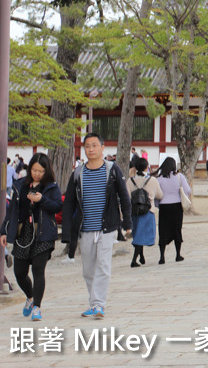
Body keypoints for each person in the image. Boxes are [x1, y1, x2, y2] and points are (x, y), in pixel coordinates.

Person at [61, 132, 132, 318]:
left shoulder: (112, 170)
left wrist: (127, 222)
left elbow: (124, 196)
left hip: (107, 228)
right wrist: (67, 232)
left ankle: (99, 304)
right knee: (88, 269)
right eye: (87, 146)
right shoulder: (78, 173)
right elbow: (68, 203)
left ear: (102, 147)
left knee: (103, 266)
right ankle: (94, 303)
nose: (90, 149)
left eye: (94, 145)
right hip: (85, 228)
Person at [1, 153, 61, 321]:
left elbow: (57, 206)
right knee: (19, 272)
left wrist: (42, 199)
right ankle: (30, 296)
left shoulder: (51, 187)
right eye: (34, 170)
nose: (37, 174)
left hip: (43, 234)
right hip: (23, 232)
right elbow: (11, 210)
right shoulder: (20, 185)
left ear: (46, 171)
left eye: (40, 171)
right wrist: (4, 231)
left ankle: (37, 307)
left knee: (38, 269)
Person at [126, 158, 163, 268]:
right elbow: (160, 195)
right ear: (147, 167)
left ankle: (141, 255)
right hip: (148, 210)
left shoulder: (130, 181)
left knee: (137, 233)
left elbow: (127, 196)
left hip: (134, 210)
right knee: (141, 235)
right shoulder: (152, 180)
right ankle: (134, 260)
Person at [153, 157, 191, 264]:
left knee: (163, 230)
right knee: (177, 229)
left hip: (164, 207)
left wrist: (158, 205)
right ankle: (178, 254)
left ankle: (162, 257)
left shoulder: (159, 179)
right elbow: (188, 190)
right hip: (177, 206)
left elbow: (157, 195)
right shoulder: (179, 177)